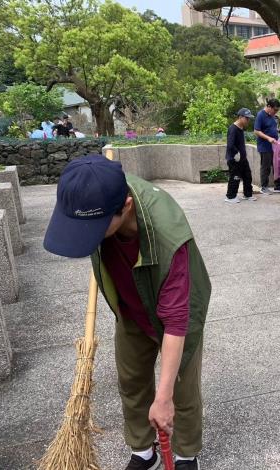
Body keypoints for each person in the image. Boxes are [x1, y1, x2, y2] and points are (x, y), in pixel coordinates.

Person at [43, 155, 212, 469]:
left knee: (181, 389)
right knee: (132, 381)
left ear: (127, 207)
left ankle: (186, 453)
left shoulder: (168, 238)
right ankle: (142, 450)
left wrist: (163, 400)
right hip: (130, 306)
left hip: (176, 314)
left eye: (90, 227)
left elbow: (176, 324)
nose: (84, 234)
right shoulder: (96, 196)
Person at [225, 108, 256, 204]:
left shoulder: (241, 128)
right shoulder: (233, 129)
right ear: (240, 117)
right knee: (235, 177)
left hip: (242, 159)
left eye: (249, 118)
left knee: (247, 176)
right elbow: (230, 145)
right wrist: (236, 153)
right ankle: (230, 197)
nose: (248, 120)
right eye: (247, 118)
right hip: (234, 159)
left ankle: (247, 194)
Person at [254, 98, 280, 194]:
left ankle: (278, 186)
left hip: (274, 145)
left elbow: (273, 127)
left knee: (277, 165)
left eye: (277, 111)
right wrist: (268, 138)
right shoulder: (260, 115)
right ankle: (264, 187)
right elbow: (256, 131)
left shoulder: (272, 115)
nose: (276, 112)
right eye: (275, 110)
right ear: (269, 107)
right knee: (266, 166)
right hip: (265, 146)